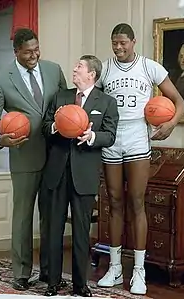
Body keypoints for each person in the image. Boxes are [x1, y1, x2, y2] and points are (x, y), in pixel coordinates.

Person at [96, 23, 184, 295]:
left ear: (133, 42)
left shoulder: (149, 67)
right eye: (114, 43)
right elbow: (91, 101)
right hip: (112, 137)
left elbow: (179, 101)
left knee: (136, 201)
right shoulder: (105, 70)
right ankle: (114, 267)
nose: (119, 47)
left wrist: (170, 124)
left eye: (123, 42)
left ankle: (138, 270)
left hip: (137, 135)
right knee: (113, 202)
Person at [0, 28, 67, 291]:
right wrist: (0, 139)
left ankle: (50, 271)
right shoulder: (1, 79)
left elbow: (65, 106)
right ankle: (21, 272)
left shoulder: (54, 70)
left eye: (37, 49)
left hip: (55, 155)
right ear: (16, 51)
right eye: (28, 52)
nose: (34, 55)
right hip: (23, 156)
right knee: (22, 217)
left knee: (51, 216)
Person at [41, 55, 119, 297]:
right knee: (53, 229)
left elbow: (110, 134)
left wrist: (92, 137)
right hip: (57, 173)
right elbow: (44, 126)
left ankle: (80, 285)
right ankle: (52, 283)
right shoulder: (61, 96)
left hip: (84, 174)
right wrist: (57, 125)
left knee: (81, 231)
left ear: (91, 74)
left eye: (80, 67)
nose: (74, 70)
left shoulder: (106, 102)